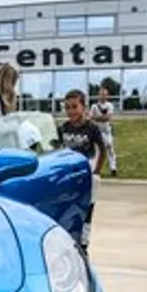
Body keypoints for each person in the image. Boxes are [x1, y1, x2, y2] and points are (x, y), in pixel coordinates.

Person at [58, 89, 106, 255]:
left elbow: (102, 149)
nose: (71, 111)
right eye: (67, 107)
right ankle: (68, 239)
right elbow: (58, 151)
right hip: (69, 176)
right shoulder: (63, 128)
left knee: (86, 210)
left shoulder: (92, 128)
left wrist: (96, 171)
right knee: (69, 208)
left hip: (88, 174)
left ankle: (84, 244)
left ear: (84, 107)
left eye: (74, 106)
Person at [90, 85, 118, 176]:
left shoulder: (110, 105)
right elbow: (91, 117)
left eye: (105, 95)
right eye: (101, 94)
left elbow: (107, 118)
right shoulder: (94, 106)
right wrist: (100, 118)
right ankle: (96, 168)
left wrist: (97, 118)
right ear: (98, 95)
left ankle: (113, 168)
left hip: (107, 131)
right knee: (97, 150)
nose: (103, 96)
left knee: (110, 148)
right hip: (97, 131)